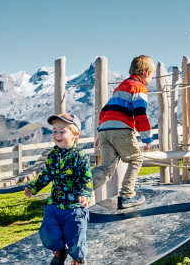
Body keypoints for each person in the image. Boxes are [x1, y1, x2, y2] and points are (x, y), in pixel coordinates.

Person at [25, 113, 92, 265]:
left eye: (62, 131)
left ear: (75, 134)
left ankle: (78, 258)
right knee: (48, 231)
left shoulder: (80, 156)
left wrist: (85, 195)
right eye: (55, 131)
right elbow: (46, 175)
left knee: (76, 237)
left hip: (74, 207)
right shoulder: (53, 155)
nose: (57, 135)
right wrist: (34, 187)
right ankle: (60, 251)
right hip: (54, 205)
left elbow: (87, 179)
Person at [92, 55, 155, 209]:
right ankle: (127, 195)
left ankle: (77, 188)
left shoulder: (120, 87)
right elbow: (140, 114)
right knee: (136, 158)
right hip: (121, 129)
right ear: (146, 72)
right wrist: (147, 138)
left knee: (106, 168)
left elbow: (104, 110)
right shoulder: (139, 87)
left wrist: (101, 131)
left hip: (105, 129)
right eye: (152, 75)